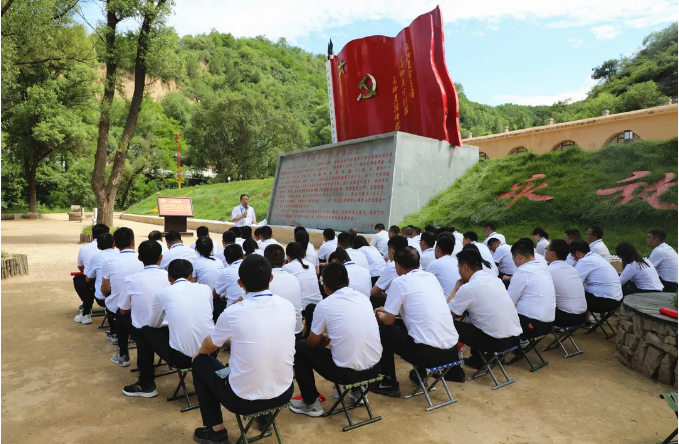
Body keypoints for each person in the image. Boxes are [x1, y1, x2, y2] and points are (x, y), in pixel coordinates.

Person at [190, 255, 296, 443]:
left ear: (240, 283)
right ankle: (264, 417)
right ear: (271, 278)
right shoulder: (288, 306)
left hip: (243, 400)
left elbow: (209, 345)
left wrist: (199, 354)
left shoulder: (233, 312)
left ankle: (216, 430)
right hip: (284, 393)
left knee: (200, 362)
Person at [290, 263, 382, 416]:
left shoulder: (325, 305)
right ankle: (358, 391)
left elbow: (312, 343)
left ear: (325, 287)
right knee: (354, 348)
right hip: (375, 369)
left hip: (347, 374)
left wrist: (322, 340)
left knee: (300, 347)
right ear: (348, 281)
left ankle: (310, 402)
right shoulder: (364, 299)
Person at [372, 247, 463, 397]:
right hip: (452, 353)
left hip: (429, 355)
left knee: (383, 330)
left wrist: (379, 313)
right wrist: (388, 311)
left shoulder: (399, 282)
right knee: (414, 325)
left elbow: (388, 320)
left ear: (398, 265)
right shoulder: (430, 277)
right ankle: (419, 373)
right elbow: (417, 308)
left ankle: (388, 381)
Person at [132, 259, 214, 399]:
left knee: (145, 330)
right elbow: (208, 313)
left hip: (184, 359)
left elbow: (153, 324)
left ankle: (146, 383)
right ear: (190, 276)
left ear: (169, 277)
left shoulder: (164, 293)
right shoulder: (205, 289)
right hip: (211, 352)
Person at [447, 249, 521, 369]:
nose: (459, 272)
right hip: (513, 339)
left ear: (465, 267)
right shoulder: (496, 280)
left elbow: (447, 314)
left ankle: (451, 368)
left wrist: (455, 289)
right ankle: (477, 360)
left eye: (459, 268)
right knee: (476, 320)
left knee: (448, 324)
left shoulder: (469, 288)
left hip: (496, 342)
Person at [119, 240, 171, 397]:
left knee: (128, 319)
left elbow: (123, 309)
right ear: (160, 258)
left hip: (145, 332)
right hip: (171, 329)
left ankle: (146, 382)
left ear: (139, 258)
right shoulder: (170, 277)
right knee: (145, 325)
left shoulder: (131, 280)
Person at [101, 227, 144, 367]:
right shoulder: (143, 259)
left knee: (118, 307)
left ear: (115, 244)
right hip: (143, 308)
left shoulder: (109, 262)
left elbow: (105, 289)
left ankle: (123, 352)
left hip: (120, 309)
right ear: (133, 242)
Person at [506, 239, 556, 339]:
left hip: (532, 325)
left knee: (497, 316)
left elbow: (508, 302)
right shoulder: (543, 268)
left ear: (519, 256)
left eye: (513, 258)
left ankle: (516, 343)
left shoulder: (522, 271)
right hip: (549, 323)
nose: (514, 262)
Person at [570, 240, 623, 315]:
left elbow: (573, 283)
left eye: (572, 256)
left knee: (569, 294)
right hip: (617, 300)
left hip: (603, 302)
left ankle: (573, 320)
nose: (574, 259)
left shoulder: (584, 261)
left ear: (577, 253)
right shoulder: (596, 257)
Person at [544, 240, 588, 327]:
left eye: (547, 248)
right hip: (583, 315)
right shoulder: (572, 269)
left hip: (567, 317)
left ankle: (527, 332)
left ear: (553, 253)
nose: (545, 251)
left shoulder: (549, 271)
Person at [284, 242, 322, 336]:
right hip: (318, 303)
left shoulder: (287, 268)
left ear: (288, 256)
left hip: (303, 308)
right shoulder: (311, 265)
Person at [265, 245, 303, 337]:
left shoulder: (263, 281)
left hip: (274, 336)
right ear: (284, 262)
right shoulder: (294, 278)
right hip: (296, 333)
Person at [79, 233, 117, 326]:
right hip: (122, 296)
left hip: (104, 297)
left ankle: (86, 312)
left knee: (86, 280)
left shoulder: (96, 256)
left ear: (98, 247)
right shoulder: (119, 254)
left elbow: (89, 278)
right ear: (114, 244)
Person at [74, 223, 110, 320]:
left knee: (85, 279)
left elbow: (83, 270)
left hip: (102, 292)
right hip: (118, 292)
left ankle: (86, 310)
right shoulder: (117, 252)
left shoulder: (87, 250)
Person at [370, 235, 409, 304]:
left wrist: (386, 297)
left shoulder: (392, 265)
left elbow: (374, 292)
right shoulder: (414, 263)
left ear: (392, 251)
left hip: (398, 303)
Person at [214, 244, 246, 309]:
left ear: (226, 260)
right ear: (243, 256)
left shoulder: (226, 272)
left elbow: (215, 294)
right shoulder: (251, 267)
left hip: (233, 308)